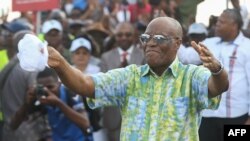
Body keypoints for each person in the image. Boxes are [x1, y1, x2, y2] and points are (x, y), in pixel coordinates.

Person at [45, 16, 228, 141]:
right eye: (145, 38)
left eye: (159, 38)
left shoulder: (191, 76)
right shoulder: (129, 77)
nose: (150, 43)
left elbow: (217, 87)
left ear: (177, 43)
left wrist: (217, 71)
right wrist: (61, 64)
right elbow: (85, 84)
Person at [199, 9, 250, 141]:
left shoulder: (247, 47)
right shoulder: (209, 43)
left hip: (237, 117)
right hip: (207, 116)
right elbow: (185, 57)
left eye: (222, 22)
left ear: (234, 25)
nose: (217, 24)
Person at [11, 67, 93, 141]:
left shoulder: (71, 93)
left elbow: (85, 124)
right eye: (43, 88)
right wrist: (26, 103)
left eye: (50, 87)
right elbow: (13, 125)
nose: (47, 91)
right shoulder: (40, 99)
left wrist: (59, 103)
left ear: (58, 84)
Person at [0, 30, 50, 141]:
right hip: (28, 130)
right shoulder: (30, 68)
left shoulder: (6, 68)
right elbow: (37, 97)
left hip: (8, 130)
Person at [99, 22, 145, 141]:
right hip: (113, 116)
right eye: (120, 35)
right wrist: (119, 72)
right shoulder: (105, 57)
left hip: (139, 117)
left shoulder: (144, 56)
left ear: (134, 36)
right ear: (115, 37)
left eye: (127, 34)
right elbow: (103, 86)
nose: (123, 37)